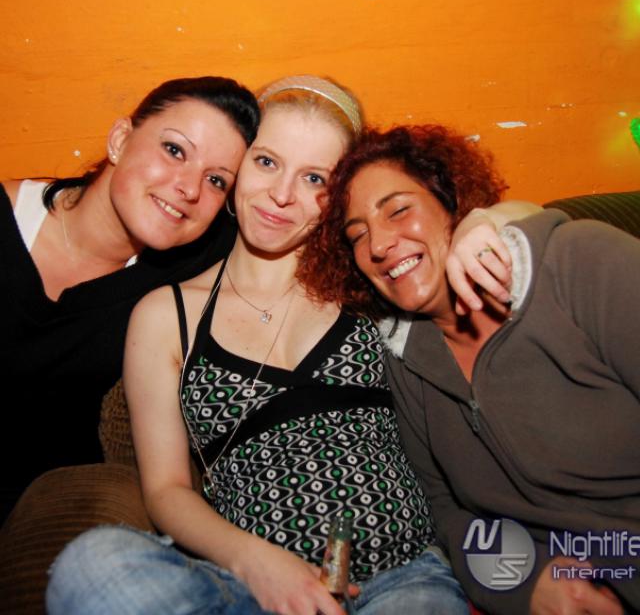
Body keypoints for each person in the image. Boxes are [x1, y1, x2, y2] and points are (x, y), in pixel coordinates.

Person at [46, 77, 471, 615]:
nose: (282, 195)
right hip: (248, 589)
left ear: (340, 195)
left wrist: (490, 223)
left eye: (314, 178)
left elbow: (481, 243)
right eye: (267, 162)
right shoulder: (166, 316)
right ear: (238, 166)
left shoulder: (372, 280)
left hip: (403, 577)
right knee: (92, 564)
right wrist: (255, 563)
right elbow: (167, 490)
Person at [300, 124, 640, 615]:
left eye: (399, 210)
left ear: (454, 204)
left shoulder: (576, 263)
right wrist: (526, 581)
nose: (379, 244)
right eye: (358, 235)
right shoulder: (404, 359)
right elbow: (448, 512)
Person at [0, 76, 260, 522]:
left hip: (50, 517)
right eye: (174, 150)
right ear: (120, 140)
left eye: (217, 180)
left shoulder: (191, 260)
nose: (190, 188)